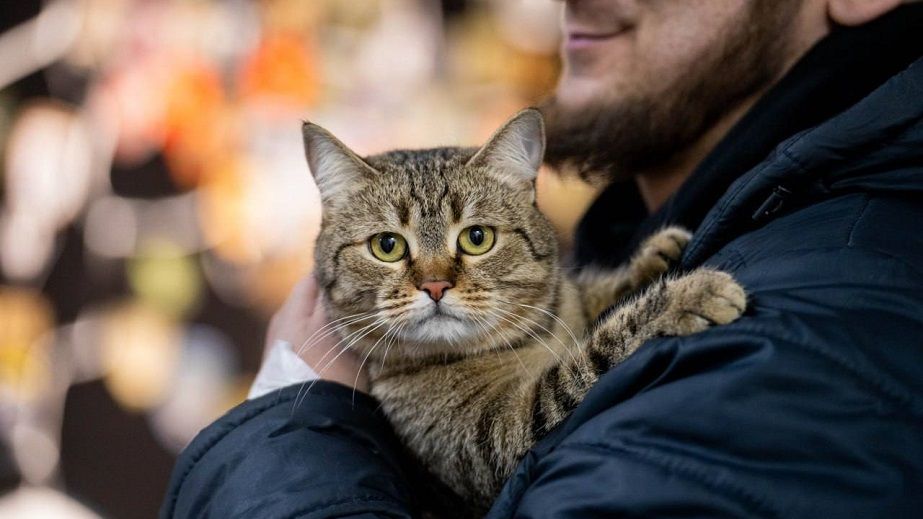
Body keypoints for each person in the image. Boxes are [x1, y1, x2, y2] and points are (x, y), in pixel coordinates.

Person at [161, 0, 923, 516]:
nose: (431, 279)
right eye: (388, 247)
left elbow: (518, 431)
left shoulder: (823, 340)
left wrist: (287, 420)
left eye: (474, 241)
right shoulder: (726, 235)